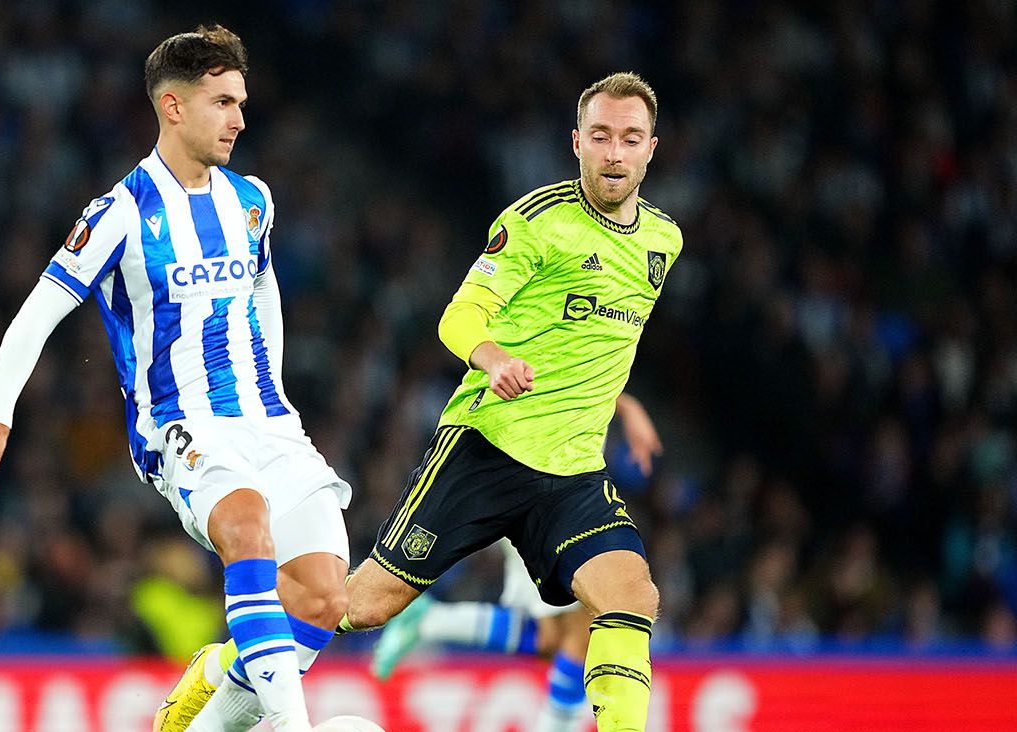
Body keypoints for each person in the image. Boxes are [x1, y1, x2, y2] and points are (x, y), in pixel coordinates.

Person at [170, 71, 680, 732]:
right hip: (485, 448)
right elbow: (460, 316)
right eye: (602, 136)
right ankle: (220, 670)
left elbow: (593, 346)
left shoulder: (663, 241)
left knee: (630, 596)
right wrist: (492, 357)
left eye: (630, 139)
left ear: (651, 149)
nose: (615, 152)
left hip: (573, 475)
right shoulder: (534, 225)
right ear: (576, 142)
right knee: (353, 607)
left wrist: (626, 406)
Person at [0, 26, 351, 732]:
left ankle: (214, 685)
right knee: (248, 528)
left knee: (322, 598)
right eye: (223, 102)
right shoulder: (119, 214)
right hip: (182, 425)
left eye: (242, 102)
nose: (240, 119)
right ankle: (294, 727)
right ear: (173, 106)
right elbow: (36, 314)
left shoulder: (251, 199)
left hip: (268, 421)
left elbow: (262, 291)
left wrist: (274, 391)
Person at [369, 393, 664, 732]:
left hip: (551, 495)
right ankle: (432, 621)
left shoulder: (590, 372)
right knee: (583, 633)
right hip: (543, 498)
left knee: (554, 638)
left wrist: (627, 407)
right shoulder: (551, 367)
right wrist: (628, 408)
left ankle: (432, 621)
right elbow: (552, 371)